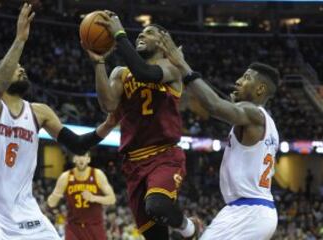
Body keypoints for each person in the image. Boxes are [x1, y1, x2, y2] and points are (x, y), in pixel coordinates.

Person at [0, 4, 117, 240]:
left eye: (21, 67)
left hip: (27, 212)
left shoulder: (40, 112)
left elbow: (78, 145)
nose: (22, 69)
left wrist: (107, 126)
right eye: (16, 68)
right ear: (2, 75)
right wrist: (20, 39)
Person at [84, 11, 201, 240]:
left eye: (148, 33)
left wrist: (119, 34)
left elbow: (146, 73)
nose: (141, 36)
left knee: (157, 205)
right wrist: (99, 63)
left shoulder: (173, 68)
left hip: (164, 155)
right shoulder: (120, 73)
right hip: (133, 163)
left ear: (163, 42)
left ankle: (191, 229)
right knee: (156, 237)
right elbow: (107, 105)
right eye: (140, 33)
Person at [157, 32, 280, 240]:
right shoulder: (263, 121)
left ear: (260, 89)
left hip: (248, 211)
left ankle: (190, 230)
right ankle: (189, 230)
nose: (238, 81)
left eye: (246, 78)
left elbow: (213, 106)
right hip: (250, 210)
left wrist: (182, 65)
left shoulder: (253, 113)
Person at [47, 153, 116, 240]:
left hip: (94, 226)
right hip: (74, 227)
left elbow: (112, 199)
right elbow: (51, 203)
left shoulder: (97, 174)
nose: (81, 159)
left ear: (88, 159)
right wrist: (56, 195)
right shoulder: (65, 177)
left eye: (84, 156)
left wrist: (94, 198)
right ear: (74, 159)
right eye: (78, 156)